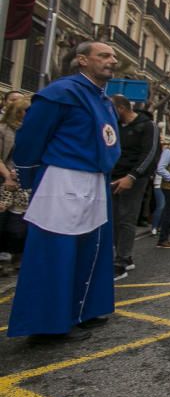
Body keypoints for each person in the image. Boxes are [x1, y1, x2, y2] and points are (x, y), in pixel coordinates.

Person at [7, 41, 121, 342]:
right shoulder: (61, 93)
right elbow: (31, 139)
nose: (113, 61)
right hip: (63, 179)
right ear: (82, 60)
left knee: (91, 248)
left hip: (94, 179)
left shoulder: (103, 99)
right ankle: (46, 325)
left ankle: (82, 310)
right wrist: (32, 178)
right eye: (104, 56)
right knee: (55, 251)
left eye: (114, 56)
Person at [109, 94, 158, 276]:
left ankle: (122, 260)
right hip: (113, 176)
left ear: (121, 108)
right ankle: (118, 255)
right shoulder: (114, 126)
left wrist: (132, 176)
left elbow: (150, 153)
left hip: (134, 179)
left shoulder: (147, 126)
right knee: (112, 218)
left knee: (126, 219)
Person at [0, 97, 30, 277]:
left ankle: (16, 255)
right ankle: (3, 258)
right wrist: (7, 175)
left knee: (20, 224)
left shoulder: (32, 131)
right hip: (5, 183)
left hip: (24, 184)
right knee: (3, 221)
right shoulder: (4, 130)